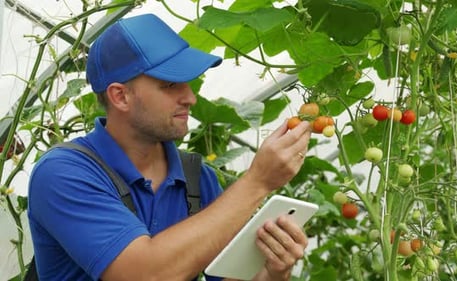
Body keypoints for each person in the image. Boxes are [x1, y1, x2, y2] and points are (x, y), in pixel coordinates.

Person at [28, 13, 312, 281]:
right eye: (170, 84)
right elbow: (144, 275)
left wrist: (272, 274)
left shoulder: (198, 179)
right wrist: (258, 181)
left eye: (187, 83)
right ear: (120, 96)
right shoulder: (63, 172)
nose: (189, 97)